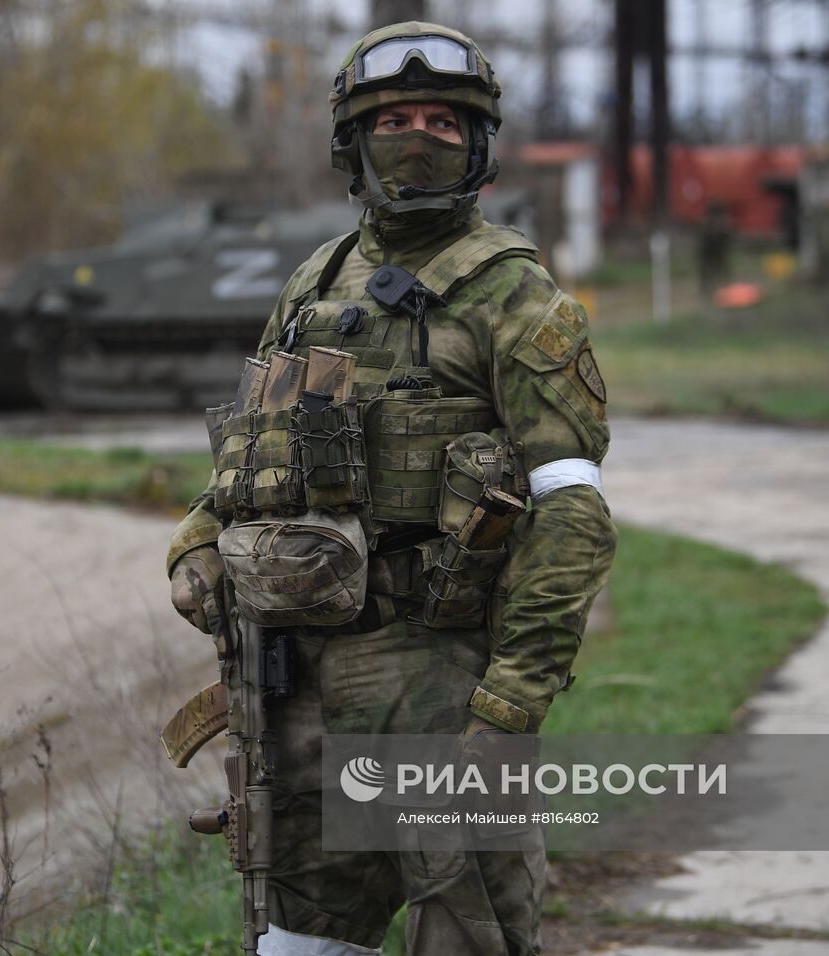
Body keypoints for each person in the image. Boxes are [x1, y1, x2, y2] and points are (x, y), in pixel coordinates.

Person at [167, 21, 616, 956]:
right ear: (354, 142)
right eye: (397, 118)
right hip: (295, 681)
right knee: (300, 938)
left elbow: (572, 516)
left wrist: (510, 706)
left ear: (478, 144)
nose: (420, 137)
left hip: (438, 689)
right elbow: (256, 458)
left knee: (470, 933)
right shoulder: (314, 281)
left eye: (444, 123)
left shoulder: (514, 296)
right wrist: (198, 538)